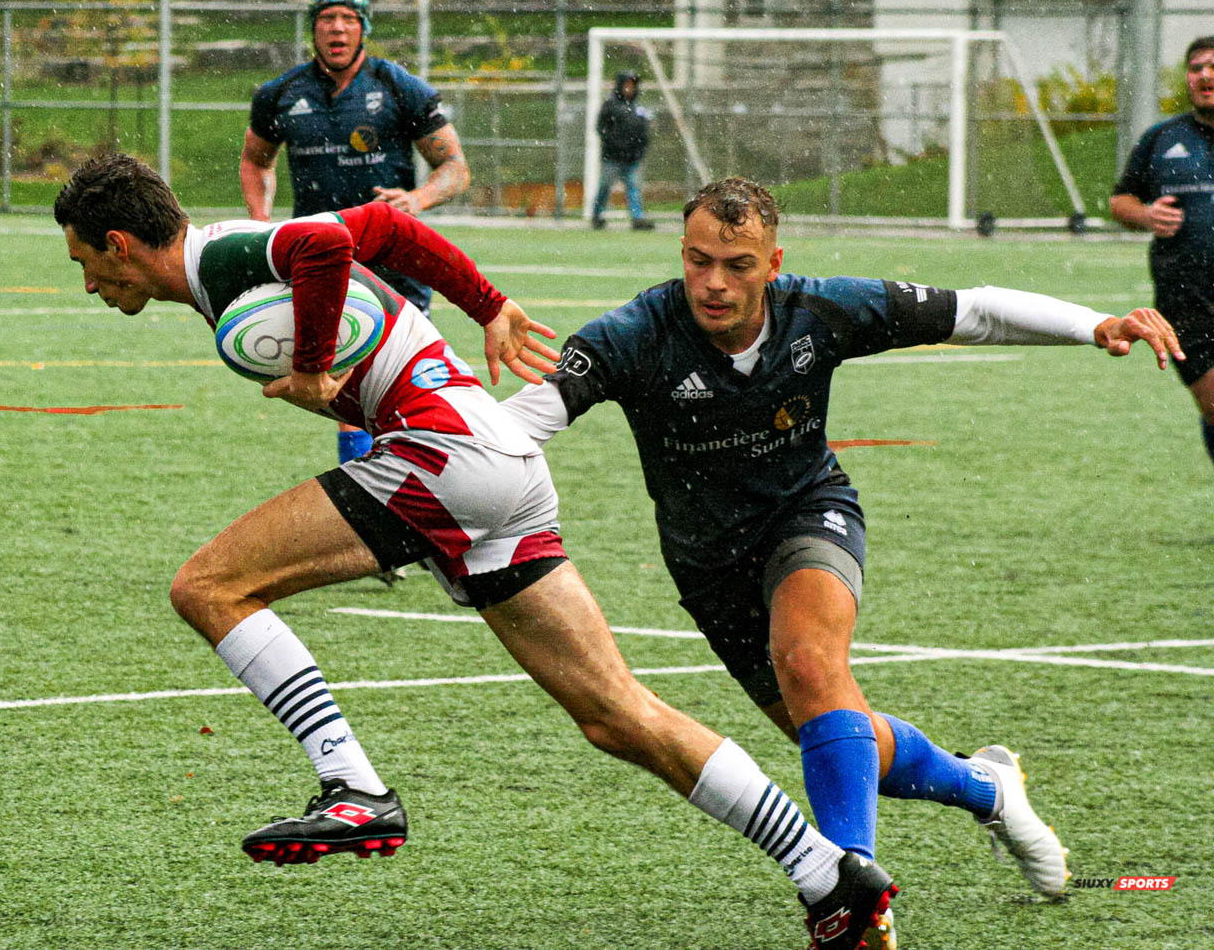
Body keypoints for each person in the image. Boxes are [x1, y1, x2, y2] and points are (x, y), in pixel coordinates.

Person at [56, 153, 898, 950]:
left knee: (208, 586)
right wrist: (488, 304)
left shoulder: (230, 256)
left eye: (87, 264)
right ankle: (828, 873)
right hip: (498, 462)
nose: (90, 283)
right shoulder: (227, 269)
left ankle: (353, 787)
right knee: (616, 714)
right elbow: (387, 232)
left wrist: (315, 366)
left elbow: (322, 243)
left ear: (119, 244)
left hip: (444, 455)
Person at [501, 176, 1184, 943]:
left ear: (774, 261)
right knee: (828, 730)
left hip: (808, 513)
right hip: (707, 565)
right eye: (698, 261)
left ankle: (852, 894)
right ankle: (985, 785)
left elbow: (977, 309)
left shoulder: (820, 310)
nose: (715, 283)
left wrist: (1095, 324)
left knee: (809, 661)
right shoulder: (635, 333)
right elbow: (518, 429)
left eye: (738, 264)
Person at [240, 0, 473, 496]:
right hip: (323, 262)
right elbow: (257, 161)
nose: (337, 28)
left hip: (397, 262)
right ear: (314, 30)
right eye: (327, 19)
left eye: (348, 19)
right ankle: (376, 500)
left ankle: (417, 483)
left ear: (363, 28)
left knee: (410, 383)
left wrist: (417, 200)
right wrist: (261, 222)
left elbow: (455, 167)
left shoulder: (398, 88)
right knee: (346, 387)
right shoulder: (281, 94)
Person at [1110, 35, 1214, 470]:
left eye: (1213, 66)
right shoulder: (1162, 139)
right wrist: (1148, 215)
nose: (1205, 75)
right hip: (1186, 303)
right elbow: (1121, 201)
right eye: (1196, 67)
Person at [592, 69, 655, 231]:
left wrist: (639, 149)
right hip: (613, 157)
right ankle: (597, 215)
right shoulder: (610, 106)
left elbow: (643, 132)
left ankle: (637, 218)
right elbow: (601, 128)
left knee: (633, 187)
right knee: (605, 186)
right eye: (627, 84)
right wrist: (616, 144)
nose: (630, 88)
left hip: (632, 158)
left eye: (632, 85)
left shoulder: (637, 108)